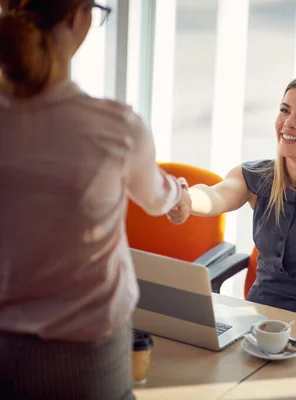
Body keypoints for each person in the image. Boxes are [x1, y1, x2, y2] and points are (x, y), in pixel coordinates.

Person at [0, 1, 190, 399]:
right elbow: (158, 199)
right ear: (76, 16)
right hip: (86, 358)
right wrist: (178, 194)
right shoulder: (114, 127)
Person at [168, 75, 296, 345]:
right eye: (284, 110)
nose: (288, 123)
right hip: (255, 322)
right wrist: (185, 198)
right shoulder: (256, 177)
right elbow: (215, 195)